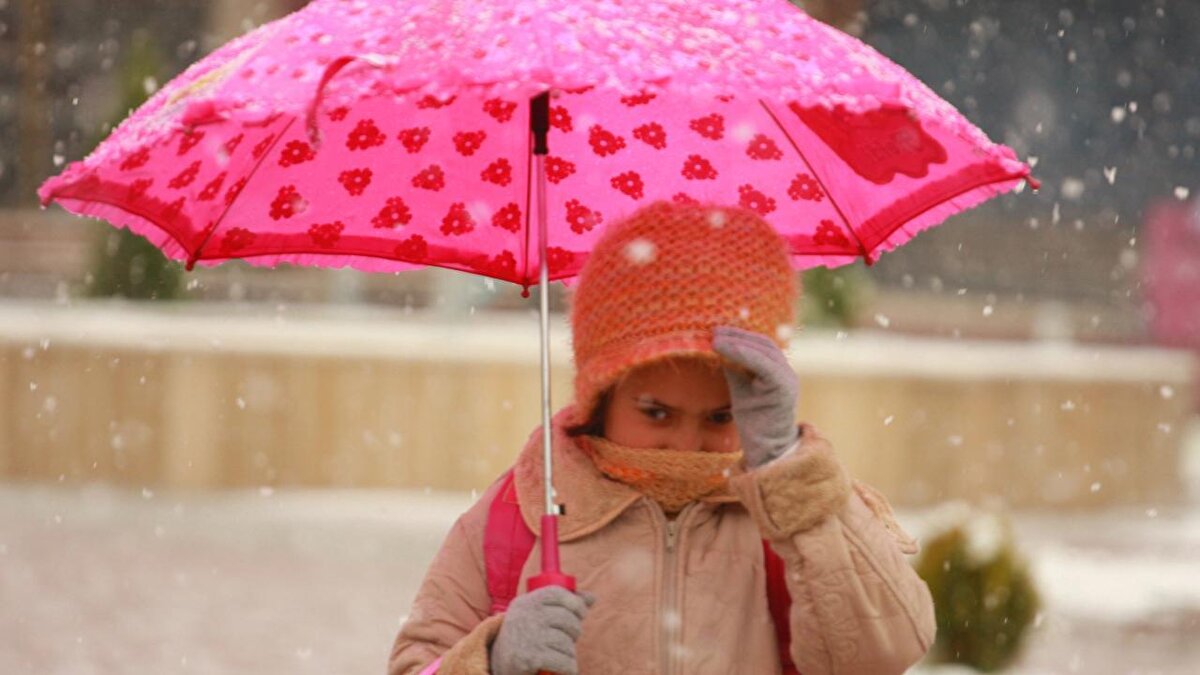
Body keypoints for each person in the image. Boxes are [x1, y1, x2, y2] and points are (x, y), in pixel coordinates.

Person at [388, 201, 935, 675]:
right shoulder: (521, 512)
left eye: (719, 418)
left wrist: (790, 475)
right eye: (657, 413)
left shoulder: (792, 513)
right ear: (602, 396)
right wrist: (493, 657)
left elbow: (881, 655)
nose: (686, 444)